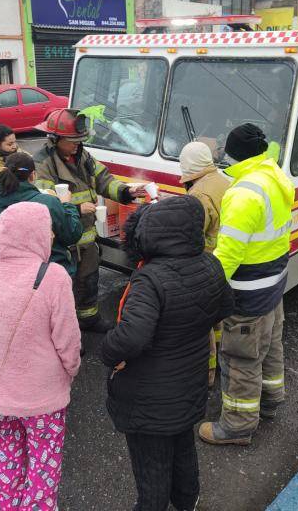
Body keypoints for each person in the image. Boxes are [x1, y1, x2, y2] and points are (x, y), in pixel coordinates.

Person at [100, 195, 233, 511]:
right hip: (190, 382)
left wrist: (107, 351)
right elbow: (225, 305)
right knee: (182, 443)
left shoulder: (150, 278)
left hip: (150, 398)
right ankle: (188, 502)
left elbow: (131, 337)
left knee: (152, 468)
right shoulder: (210, 263)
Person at [0, 202, 81, 511]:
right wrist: (70, 371)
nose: (52, 234)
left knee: (7, 459)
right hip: (42, 395)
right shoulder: (53, 276)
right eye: (48, 229)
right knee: (43, 469)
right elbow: (68, 341)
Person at [198, 124, 294, 446]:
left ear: (232, 154)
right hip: (273, 284)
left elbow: (227, 255)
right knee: (269, 346)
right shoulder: (275, 177)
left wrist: (205, 291)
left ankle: (237, 425)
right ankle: (270, 400)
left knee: (240, 357)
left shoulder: (243, 192)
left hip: (248, 292)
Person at [33, 107, 141, 332]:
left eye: (79, 140)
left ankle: (89, 318)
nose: (77, 144)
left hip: (86, 237)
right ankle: (67, 331)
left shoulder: (83, 156)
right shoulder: (42, 165)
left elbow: (104, 179)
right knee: (64, 288)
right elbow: (43, 204)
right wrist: (76, 207)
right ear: (55, 139)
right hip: (63, 242)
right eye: (72, 140)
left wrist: (125, 192)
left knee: (89, 279)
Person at [0, 152, 83, 274]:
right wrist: (66, 205)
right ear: (33, 175)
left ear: (5, 170)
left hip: (3, 273)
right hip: (45, 274)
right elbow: (72, 234)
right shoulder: (48, 202)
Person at [179, 141, 231, 388]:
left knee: (203, 323)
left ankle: (206, 374)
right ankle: (220, 357)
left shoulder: (199, 194)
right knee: (218, 317)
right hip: (224, 261)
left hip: (206, 261)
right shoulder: (222, 181)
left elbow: (192, 234)